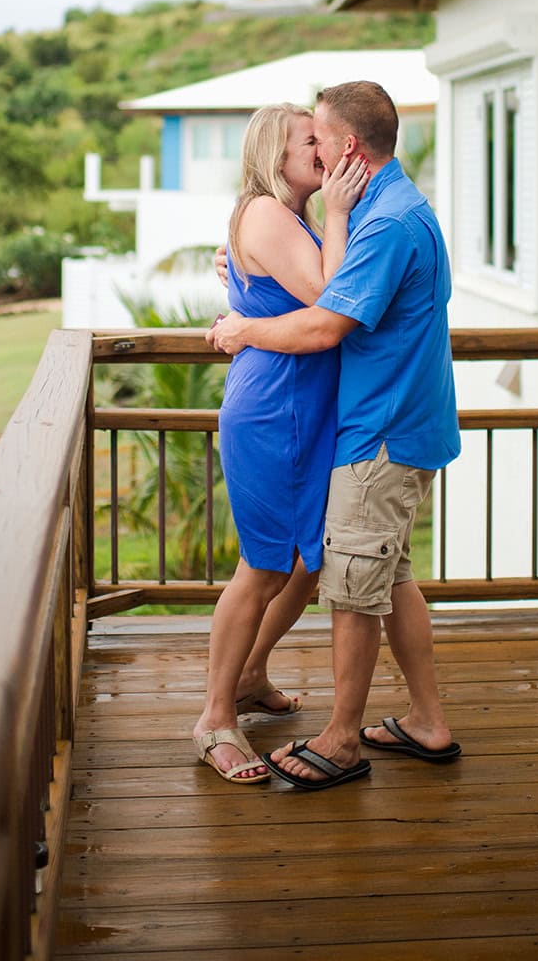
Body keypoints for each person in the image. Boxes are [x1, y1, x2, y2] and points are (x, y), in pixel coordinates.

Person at [208, 80, 462, 791]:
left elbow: (325, 321)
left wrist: (242, 328)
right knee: (387, 575)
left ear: (347, 145)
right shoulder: (384, 208)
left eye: (317, 136)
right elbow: (302, 276)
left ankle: (341, 740)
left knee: (351, 589)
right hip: (374, 421)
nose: (314, 148)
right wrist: (244, 272)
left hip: (378, 427)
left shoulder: (380, 220)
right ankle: (426, 721)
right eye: (303, 140)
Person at [193, 102, 369, 783]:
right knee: (265, 566)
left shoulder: (275, 216)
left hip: (301, 406)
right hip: (276, 411)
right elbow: (332, 293)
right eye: (309, 142)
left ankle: (251, 673)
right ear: (276, 153)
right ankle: (214, 718)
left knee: (307, 562)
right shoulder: (269, 212)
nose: (322, 152)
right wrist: (336, 212)